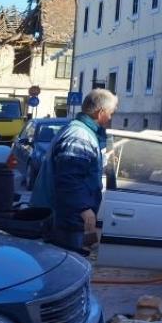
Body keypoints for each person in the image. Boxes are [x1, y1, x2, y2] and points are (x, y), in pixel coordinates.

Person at [31, 88, 115, 254]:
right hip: (65, 219)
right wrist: (84, 209)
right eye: (111, 113)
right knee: (64, 270)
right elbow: (69, 178)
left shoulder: (80, 132)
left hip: (65, 216)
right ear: (101, 113)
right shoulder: (79, 136)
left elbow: (76, 170)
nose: (111, 118)